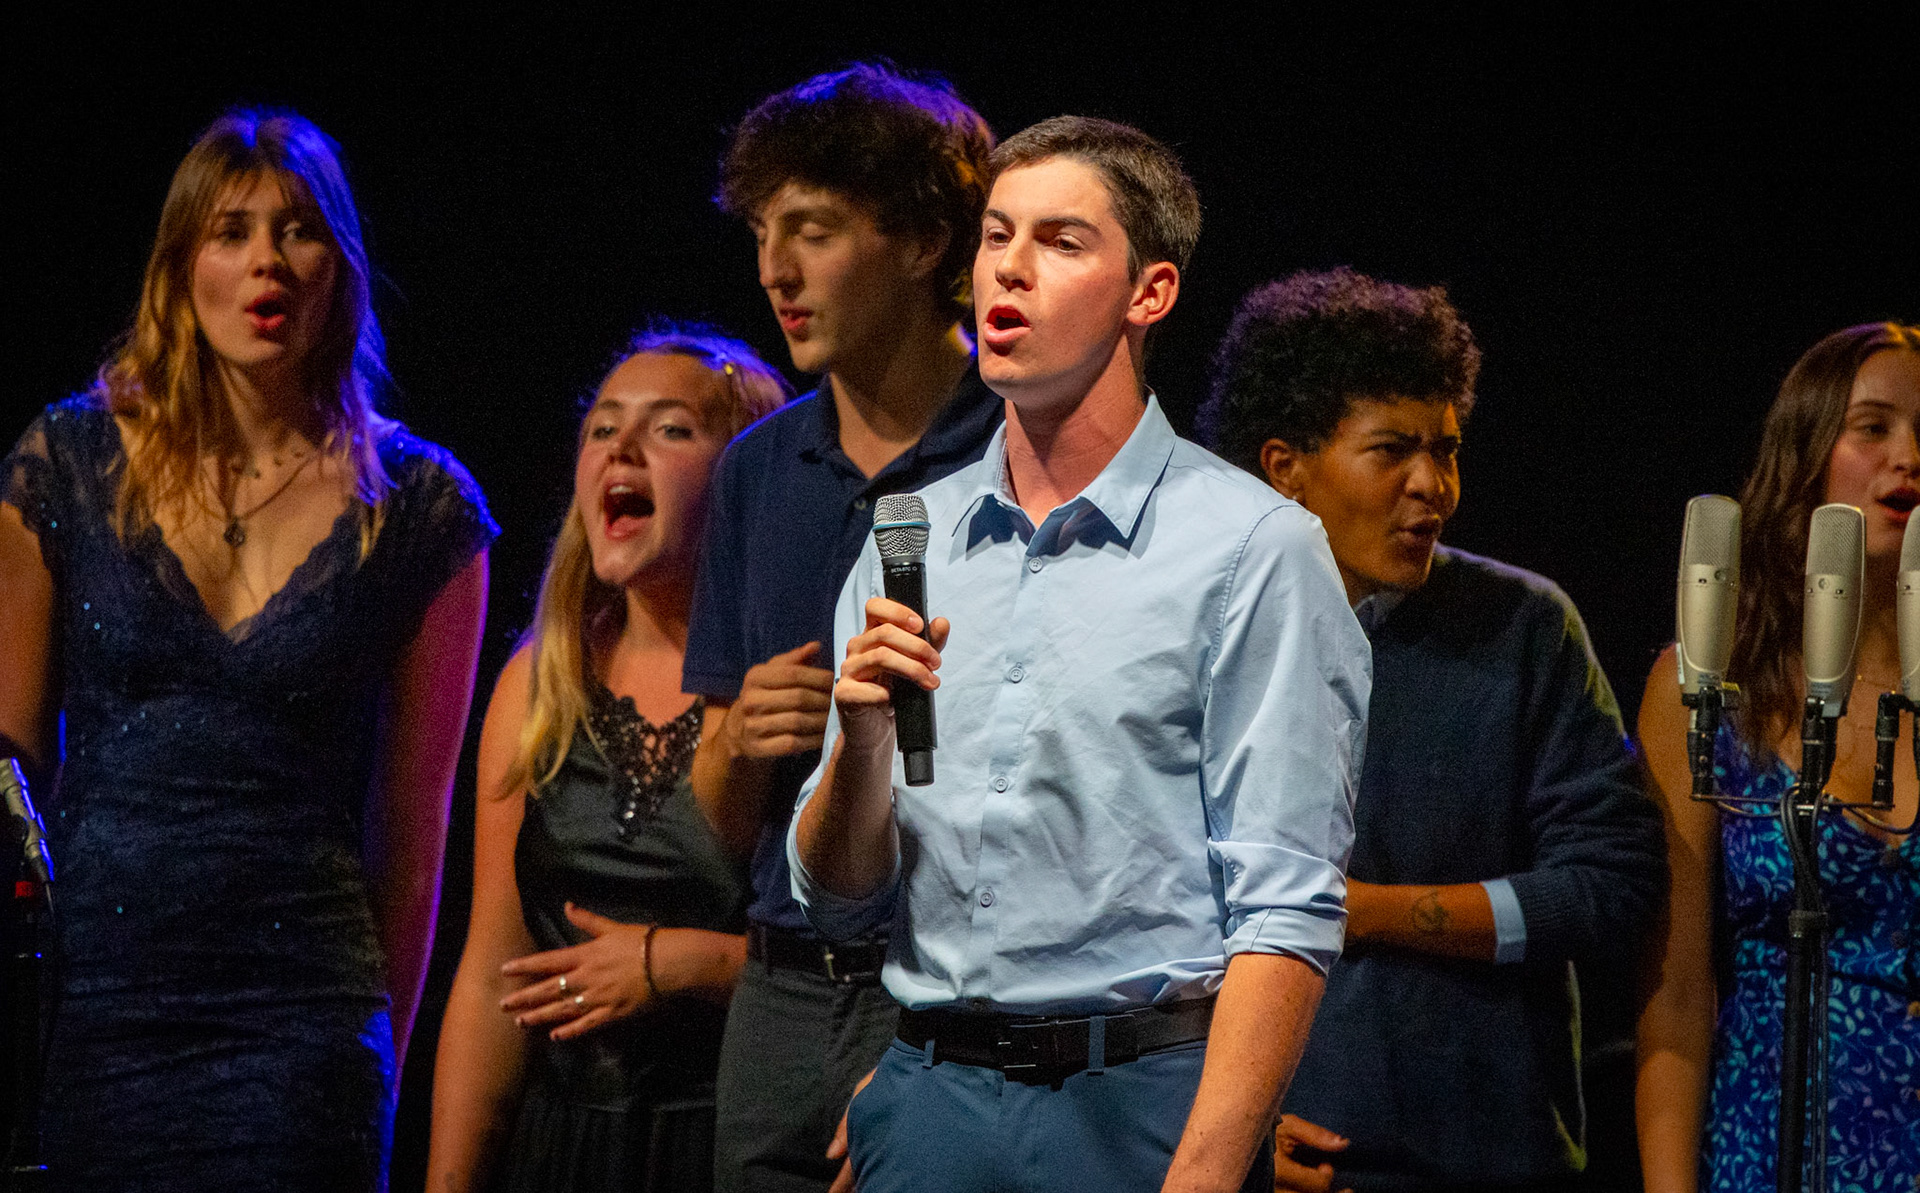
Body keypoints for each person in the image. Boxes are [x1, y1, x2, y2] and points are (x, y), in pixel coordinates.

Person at [789, 117, 1369, 1193]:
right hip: (930, 1093)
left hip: (1139, 1100)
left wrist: (1203, 1176)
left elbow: (1285, 909)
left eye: (1060, 242)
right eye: (995, 235)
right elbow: (840, 897)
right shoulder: (910, 538)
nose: (1008, 268)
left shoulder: (1251, 547)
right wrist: (859, 746)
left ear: (1150, 292)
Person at [0, 110, 493, 1191]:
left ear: (340, 269)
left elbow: (414, 842)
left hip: (304, 1022)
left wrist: (381, 1071)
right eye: (232, 231)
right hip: (97, 1013)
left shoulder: (421, 508)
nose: (268, 259)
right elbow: (9, 772)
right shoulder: (66, 462)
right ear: (182, 268)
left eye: (299, 230)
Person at [1198, 267, 1664, 1192]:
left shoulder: (1524, 628)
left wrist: (1367, 910)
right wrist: (1223, 1132)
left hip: (1488, 1158)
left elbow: (1612, 886)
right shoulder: (1202, 634)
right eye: (1392, 450)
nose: (1433, 485)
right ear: (1286, 467)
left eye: (1445, 449)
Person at [683, 61, 1002, 1193]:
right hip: (779, 994)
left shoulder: (1026, 448)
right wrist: (737, 743)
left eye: (812, 231)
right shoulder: (757, 470)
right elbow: (721, 832)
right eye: (763, 234)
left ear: (923, 241)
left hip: (955, 986)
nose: (775, 269)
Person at [426, 328, 790, 1192]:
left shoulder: (787, 683)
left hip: (733, 1145)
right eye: (602, 428)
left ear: (744, 477)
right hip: (563, 1148)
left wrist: (689, 962)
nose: (621, 448)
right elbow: (493, 975)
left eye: (670, 428)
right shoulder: (542, 682)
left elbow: (862, 977)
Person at [1636, 322, 1920, 1193]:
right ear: (1806, 453)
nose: (1909, 457)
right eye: (1873, 427)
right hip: (1772, 1144)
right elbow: (1677, 996)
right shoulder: (1712, 687)